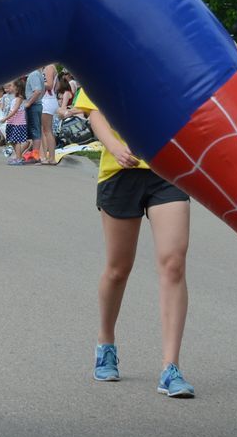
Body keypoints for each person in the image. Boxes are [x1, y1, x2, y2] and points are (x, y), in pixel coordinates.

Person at [75, 85, 193, 398]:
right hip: (120, 171)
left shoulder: (171, 55)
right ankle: (106, 342)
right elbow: (93, 111)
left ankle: (171, 368)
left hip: (168, 170)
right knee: (118, 268)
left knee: (173, 264)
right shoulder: (108, 50)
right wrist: (114, 146)